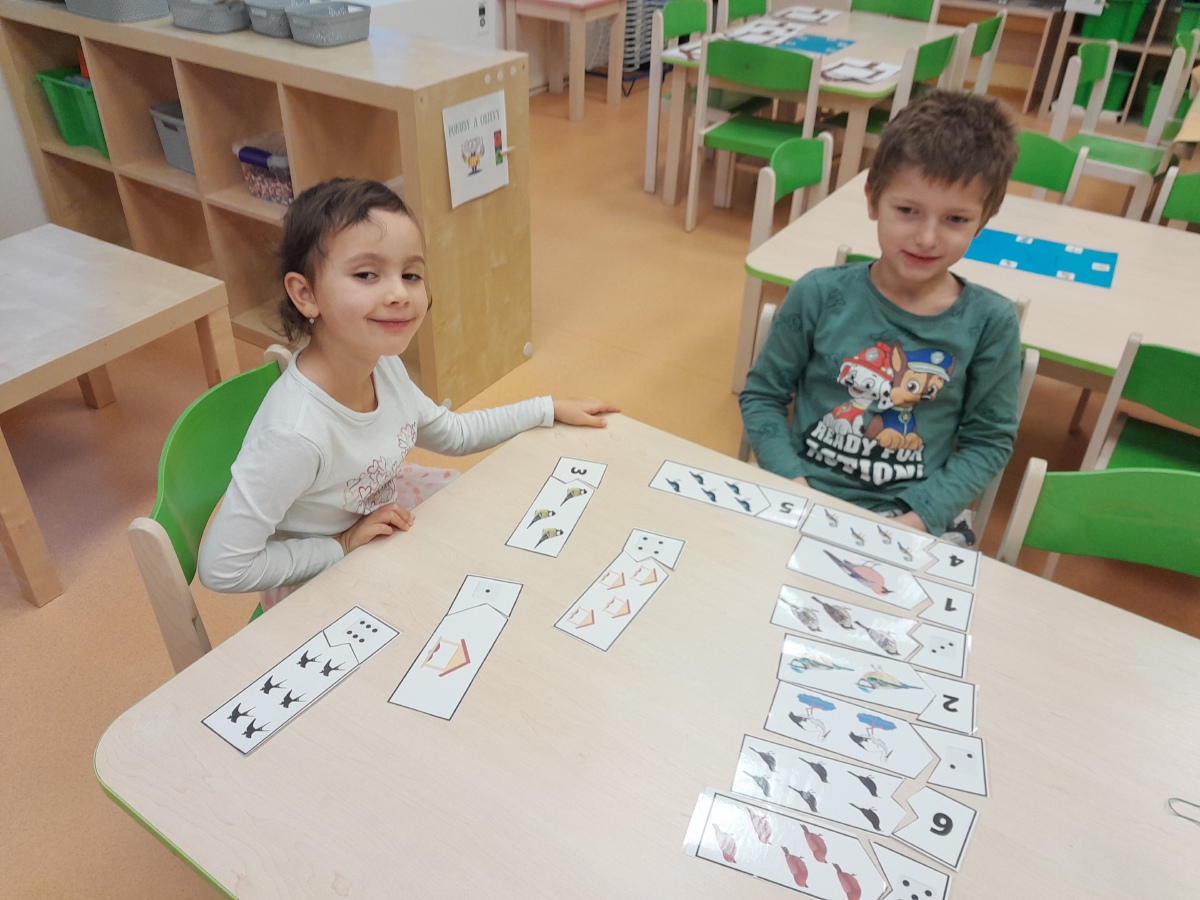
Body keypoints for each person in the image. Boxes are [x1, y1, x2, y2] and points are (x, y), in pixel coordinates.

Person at [199, 178, 618, 605]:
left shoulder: (382, 364)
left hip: (379, 516)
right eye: (367, 274)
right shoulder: (294, 435)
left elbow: (452, 433)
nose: (400, 293)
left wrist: (546, 408)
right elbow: (223, 567)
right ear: (306, 295)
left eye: (411, 274)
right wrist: (340, 545)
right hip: (323, 570)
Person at [738, 91, 1021, 545]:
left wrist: (915, 519)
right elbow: (762, 395)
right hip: (801, 492)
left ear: (983, 220)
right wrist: (793, 484)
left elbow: (988, 441)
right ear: (873, 200)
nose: (926, 238)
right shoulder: (818, 293)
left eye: (955, 219)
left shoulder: (992, 322)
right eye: (907, 211)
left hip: (911, 515)